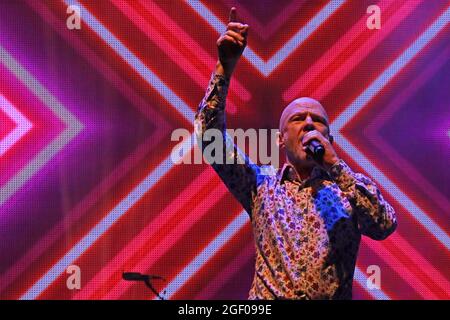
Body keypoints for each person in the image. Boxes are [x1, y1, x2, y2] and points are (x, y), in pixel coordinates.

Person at [194, 7, 397, 300]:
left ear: (330, 138)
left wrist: (336, 168)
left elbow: (384, 225)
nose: (310, 123)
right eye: (298, 119)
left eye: (319, 121)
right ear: (280, 139)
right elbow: (208, 137)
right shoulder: (260, 185)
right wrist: (224, 69)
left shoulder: (348, 190)